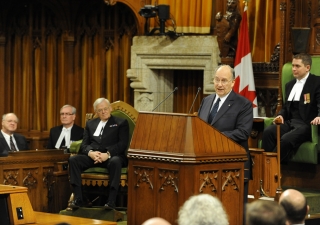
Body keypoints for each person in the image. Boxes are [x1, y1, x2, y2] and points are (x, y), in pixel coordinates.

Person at [198, 65, 253, 205]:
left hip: (233, 165)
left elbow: (243, 133)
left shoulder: (244, 104)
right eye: (216, 80)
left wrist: (215, 136)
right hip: (206, 164)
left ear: (233, 82)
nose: (219, 84)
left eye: (224, 80)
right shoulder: (206, 101)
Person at [68, 98, 129, 209]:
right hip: (93, 156)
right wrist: (90, 153)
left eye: (105, 109)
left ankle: (111, 201)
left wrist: (108, 154)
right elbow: (84, 144)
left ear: (110, 108)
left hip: (112, 157)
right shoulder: (90, 124)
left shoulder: (121, 123)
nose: (103, 112)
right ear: (96, 112)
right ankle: (79, 199)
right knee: (73, 160)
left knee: (115, 161)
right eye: (100, 110)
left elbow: (122, 144)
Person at [262, 53, 320, 162]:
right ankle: (268, 166)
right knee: (268, 132)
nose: (293, 69)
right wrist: (280, 115)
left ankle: (270, 166)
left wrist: (319, 116)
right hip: (290, 122)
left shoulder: (316, 82)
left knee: (285, 139)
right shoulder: (290, 85)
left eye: (297, 66)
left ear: (307, 67)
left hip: (307, 124)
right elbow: (286, 107)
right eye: (293, 66)